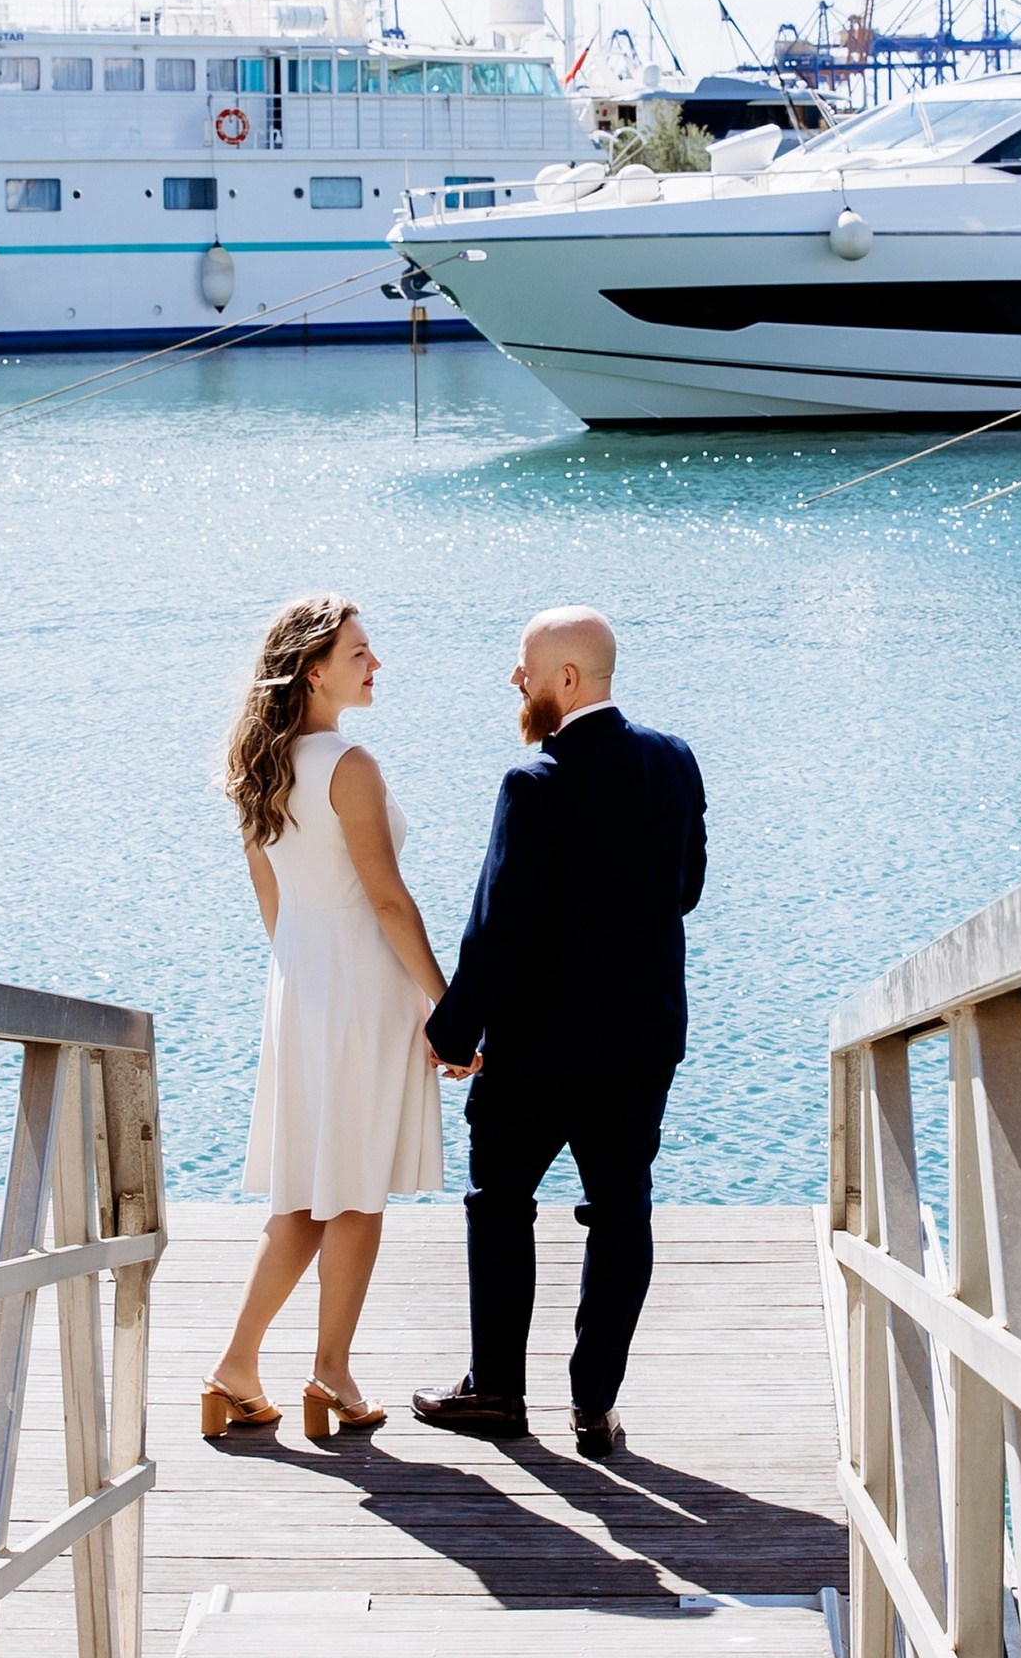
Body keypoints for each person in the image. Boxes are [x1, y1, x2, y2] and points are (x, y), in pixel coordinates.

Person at [414, 606, 707, 1457]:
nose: (517, 679)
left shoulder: (533, 782)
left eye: (526, 667)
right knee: (623, 1212)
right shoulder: (674, 760)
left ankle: (498, 1391)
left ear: (566, 680)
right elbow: (684, 889)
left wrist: (454, 1030)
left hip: (538, 1051)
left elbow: (499, 931)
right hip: (643, 1042)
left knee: (500, 1202)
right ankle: (595, 1407)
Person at [204, 592, 460, 1445]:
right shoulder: (350, 765)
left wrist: (306, 982)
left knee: (308, 1194)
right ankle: (331, 1371)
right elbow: (387, 899)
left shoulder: (262, 766)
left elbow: (272, 903)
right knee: (352, 1191)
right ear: (315, 669)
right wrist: (448, 1003)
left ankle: (240, 1365)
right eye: (359, 653)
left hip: (301, 985)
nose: (374, 664)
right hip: (358, 988)